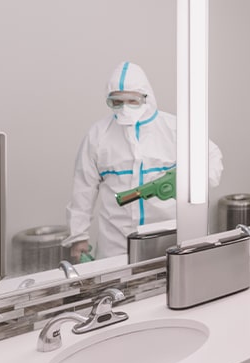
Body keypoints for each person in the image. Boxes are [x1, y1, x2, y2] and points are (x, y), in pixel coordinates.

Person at [63, 61, 223, 262]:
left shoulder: (175, 128)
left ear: (147, 97)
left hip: (171, 236)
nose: (124, 108)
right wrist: (78, 237)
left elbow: (212, 156)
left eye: (132, 101)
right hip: (117, 243)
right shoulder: (98, 135)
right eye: (116, 102)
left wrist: (193, 183)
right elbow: (82, 189)